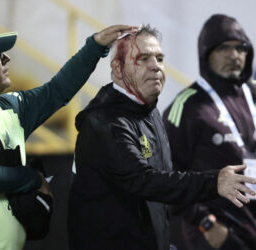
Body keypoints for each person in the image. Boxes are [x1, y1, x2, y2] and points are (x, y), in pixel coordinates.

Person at [0, 24, 135, 250]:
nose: (7, 58)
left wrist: (95, 46)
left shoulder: (11, 108)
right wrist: (33, 179)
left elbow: (57, 90)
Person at [67, 24, 256, 250]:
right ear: (118, 68)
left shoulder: (148, 110)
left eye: (159, 58)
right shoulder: (105, 122)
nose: (155, 67)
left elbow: (163, 185)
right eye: (143, 58)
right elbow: (147, 181)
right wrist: (214, 182)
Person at [163, 14, 256, 250]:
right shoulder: (186, 106)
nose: (234, 55)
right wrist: (205, 224)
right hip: (214, 234)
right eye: (223, 48)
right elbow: (167, 177)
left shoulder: (253, 94)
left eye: (240, 48)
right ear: (206, 54)